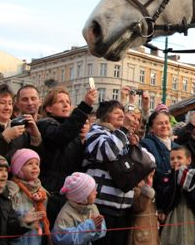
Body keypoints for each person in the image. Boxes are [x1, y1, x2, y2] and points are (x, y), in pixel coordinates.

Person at [83, 100, 139, 245]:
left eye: (123, 113)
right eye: (117, 113)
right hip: (102, 206)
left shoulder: (122, 136)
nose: (122, 116)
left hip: (123, 207)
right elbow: (107, 152)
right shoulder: (95, 132)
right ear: (105, 116)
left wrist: (134, 146)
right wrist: (125, 129)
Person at [37, 86, 95, 222]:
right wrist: (85, 106)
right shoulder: (45, 124)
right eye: (60, 102)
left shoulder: (74, 132)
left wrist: (83, 140)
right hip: (51, 191)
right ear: (48, 108)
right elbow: (62, 135)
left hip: (70, 193)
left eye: (68, 102)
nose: (65, 105)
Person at [0, 84, 41, 159]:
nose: (7, 108)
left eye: (10, 103)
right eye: (2, 103)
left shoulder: (18, 127)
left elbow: (32, 159)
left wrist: (35, 136)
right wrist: (5, 138)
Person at [6, 149, 50, 245]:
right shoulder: (12, 190)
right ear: (18, 168)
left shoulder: (41, 191)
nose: (35, 167)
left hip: (36, 240)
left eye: (37, 164)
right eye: (29, 164)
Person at [52, 172, 108, 245]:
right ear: (83, 197)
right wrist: (90, 226)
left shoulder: (92, 207)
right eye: (92, 191)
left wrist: (99, 227)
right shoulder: (66, 214)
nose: (96, 193)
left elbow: (97, 235)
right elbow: (62, 240)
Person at [159, 145, 195, 245]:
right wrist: (175, 178)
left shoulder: (194, 177)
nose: (175, 161)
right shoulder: (166, 178)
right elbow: (168, 202)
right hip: (172, 218)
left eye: (179, 158)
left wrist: (184, 181)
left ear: (188, 160)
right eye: (172, 159)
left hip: (189, 216)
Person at [140, 110, 176, 220]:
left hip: (174, 200)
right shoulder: (146, 144)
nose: (164, 126)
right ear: (151, 128)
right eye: (160, 123)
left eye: (166, 122)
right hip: (157, 199)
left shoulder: (177, 146)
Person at [128, 172, 160, 245]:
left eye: (151, 176)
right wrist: (146, 190)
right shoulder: (136, 190)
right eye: (145, 177)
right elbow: (140, 207)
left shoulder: (152, 190)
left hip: (151, 237)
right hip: (140, 238)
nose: (149, 180)